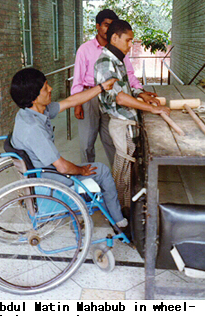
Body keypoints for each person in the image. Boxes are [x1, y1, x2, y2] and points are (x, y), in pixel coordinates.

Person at [10, 67, 128, 228]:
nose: (50, 89)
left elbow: (71, 101)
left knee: (92, 169)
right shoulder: (33, 129)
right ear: (34, 97)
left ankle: (112, 212)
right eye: (45, 88)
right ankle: (119, 222)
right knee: (101, 170)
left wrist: (101, 87)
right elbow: (63, 167)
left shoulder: (30, 113)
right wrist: (82, 171)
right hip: (51, 177)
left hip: (43, 170)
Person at [94, 20, 170, 210]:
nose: (130, 46)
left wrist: (141, 94)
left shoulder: (117, 61)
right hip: (121, 124)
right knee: (122, 175)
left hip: (128, 123)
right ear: (114, 37)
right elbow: (120, 98)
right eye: (128, 41)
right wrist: (153, 109)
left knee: (129, 174)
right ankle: (120, 216)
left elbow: (124, 91)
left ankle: (127, 213)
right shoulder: (105, 62)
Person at [71, 9, 158, 166]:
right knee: (87, 142)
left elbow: (128, 75)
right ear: (97, 26)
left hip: (110, 99)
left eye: (112, 26)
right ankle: (87, 176)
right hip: (90, 96)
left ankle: (118, 171)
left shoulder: (120, 52)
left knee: (110, 139)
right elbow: (78, 78)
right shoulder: (86, 49)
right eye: (105, 25)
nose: (108, 29)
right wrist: (78, 103)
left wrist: (140, 91)